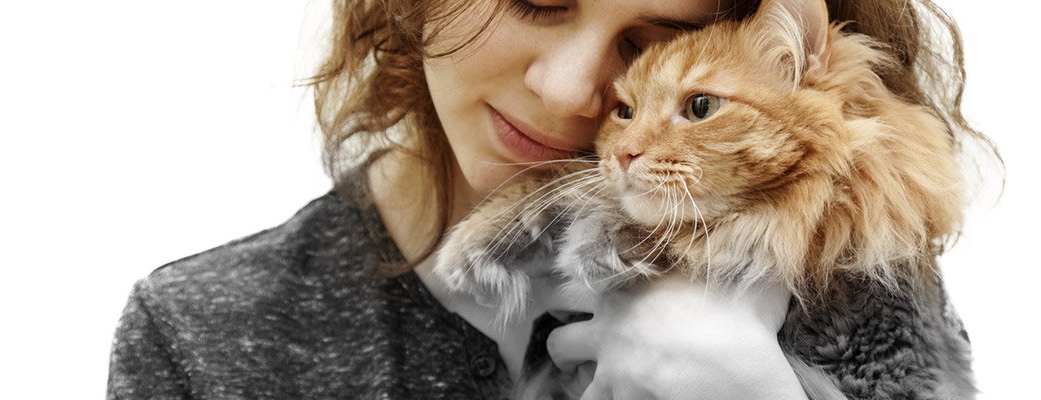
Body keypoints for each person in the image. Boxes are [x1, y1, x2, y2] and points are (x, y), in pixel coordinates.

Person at [107, 0, 982, 398]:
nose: (568, 93)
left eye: (653, 40)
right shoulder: (202, 332)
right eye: (535, 1)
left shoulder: (863, 269)